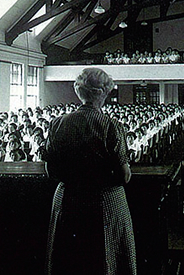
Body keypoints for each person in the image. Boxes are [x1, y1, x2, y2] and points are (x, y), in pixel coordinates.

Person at [44, 68, 136, 274]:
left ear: (79, 92)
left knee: (69, 260)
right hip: (105, 204)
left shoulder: (58, 123)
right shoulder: (111, 126)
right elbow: (124, 176)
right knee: (105, 260)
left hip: (69, 201)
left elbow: (50, 170)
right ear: (104, 93)